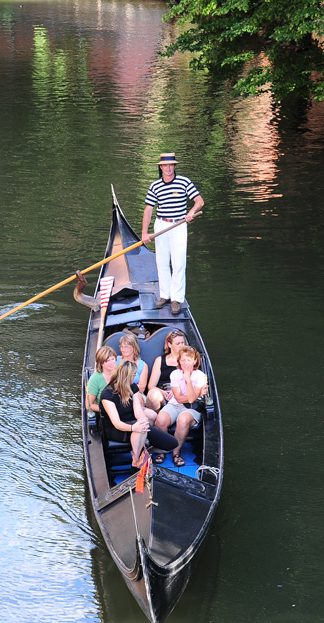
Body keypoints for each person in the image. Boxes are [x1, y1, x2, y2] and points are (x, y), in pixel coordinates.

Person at [141, 153, 204, 316]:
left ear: (174, 166)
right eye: (165, 165)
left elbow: (199, 201)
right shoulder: (155, 185)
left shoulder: (184, 182)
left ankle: (176, 299)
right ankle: (165, 295)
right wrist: (144, 233)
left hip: (178, 225)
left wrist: (190, 213)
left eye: (171, 165)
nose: (168, 168)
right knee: (161, 262)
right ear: (161, 167)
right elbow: (148, 210)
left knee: (178, 263)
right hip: (161, 224)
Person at [101, 361, 178, 469]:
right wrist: (133, 427)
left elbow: (138, 410)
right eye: (133, 374)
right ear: (126, 376)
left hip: (134, 423)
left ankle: (143, 453)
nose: (134, 377)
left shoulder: (133, 387)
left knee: (172, 444)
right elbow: (116, 422)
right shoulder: (107, 394)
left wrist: (142, 420)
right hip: (116, 429)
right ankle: (136, 462)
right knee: (139, 429)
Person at [154, 346, 208, 467]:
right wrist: (193, 394)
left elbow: (192, 400)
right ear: (179, 361)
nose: (185, 363)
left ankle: (176, 452)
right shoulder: (175, 374)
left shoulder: (200, 376)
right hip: (175, 404)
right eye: (183, 360)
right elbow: (179, 397)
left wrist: (188, 381)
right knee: (161, 419)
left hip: (191, 408)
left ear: (194, 361)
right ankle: (164, 448)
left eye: (189, 360)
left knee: (183, 420)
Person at [146, 329, 187, 411]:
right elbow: (151, 386)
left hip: (181, 392)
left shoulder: (187, 360)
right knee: (152, 394)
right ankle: (155, 419)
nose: (181, 346)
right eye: (178, 344)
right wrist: (163, 393)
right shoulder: (160, 360)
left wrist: (176, 391)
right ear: (169, 344)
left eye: (182, 343)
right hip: (163, 392)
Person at [86, 346, 116, 412]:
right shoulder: (95, 379)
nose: (111, 363)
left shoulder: (120, 373)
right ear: (101, 363)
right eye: (108, 360)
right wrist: (110, 411)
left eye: (113, 359)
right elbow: (89, 405)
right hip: (104, 414)